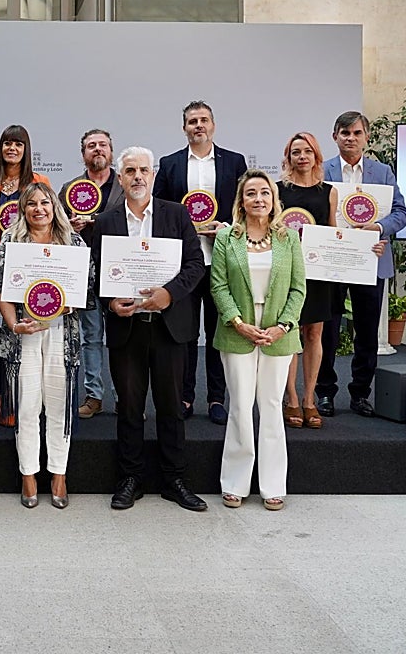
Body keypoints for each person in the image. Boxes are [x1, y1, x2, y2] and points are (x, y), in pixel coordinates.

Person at [91, 147, 207, 512]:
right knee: (128, 407)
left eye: (143, 170)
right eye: (130, 171)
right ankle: (131, 479)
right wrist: (109, 302)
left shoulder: (176, 214)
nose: (137, 176)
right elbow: (94, 273)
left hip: (170, 327)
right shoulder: (106, 221)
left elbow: (194, 265)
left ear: (153, 175)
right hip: (127, 329)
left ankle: (175, 479)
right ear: (120, 177)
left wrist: (167, 295)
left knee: (172, 407)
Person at [210, 170, 306, 511]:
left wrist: (283, 325)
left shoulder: (288, 239)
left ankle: (272, 485)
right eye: (251, 193)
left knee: (270, 407)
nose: (259, 199)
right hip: (238, 333)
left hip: (279, 335)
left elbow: (298, 288)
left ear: (274, 199)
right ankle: (235, 482)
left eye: (265, 193)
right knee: (239, 407)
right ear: (241, 201)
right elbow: (218, 286)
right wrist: (238, 323)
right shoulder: (227, 238)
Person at [0, 184, 93, 509]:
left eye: (45, 203)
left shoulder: (73, 241)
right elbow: (1, 290)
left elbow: (86, 288)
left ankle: (59, 473)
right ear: (23, 208)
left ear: (55, 207)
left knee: (59, 406)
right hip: (22, 333)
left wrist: (62, 306)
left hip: (61, 333)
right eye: (32, 203)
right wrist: (13, 324)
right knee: (26, 406)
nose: (39, 209)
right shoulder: (11, 242)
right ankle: (28, 474)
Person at [153, 100, 247, 425]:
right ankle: (186, 395)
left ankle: (218, 398)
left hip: (222, 261)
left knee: (219, 331)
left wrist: (228, 227)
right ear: (184, 128)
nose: (198, 126)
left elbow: (245, 209)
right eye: (192, 121)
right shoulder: (170, 164)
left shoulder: (235, 162)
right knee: (186, 333)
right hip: (184, 264)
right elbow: (159, 211)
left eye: (204, 120)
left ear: (213, 125)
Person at [317, 111, 406, 418]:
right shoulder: (322, 169)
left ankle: (360, 394)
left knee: (367, 332)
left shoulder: (383, 172)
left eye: (357, 133)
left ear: (366, 137)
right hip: (332, 260)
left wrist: (379, 228)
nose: (350, 138)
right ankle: (325, 393)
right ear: (335, 137)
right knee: (327, 330)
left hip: (371, 258)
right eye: (344, 133)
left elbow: (401, 213)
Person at [0, 124, 51, 426]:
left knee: (28, 333)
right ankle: (4, 397)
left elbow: (47, 218)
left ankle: (28, 398)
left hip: (32, 269)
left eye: (18, 144)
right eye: (7, 143)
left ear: (26, 149)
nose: (12, 149)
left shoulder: (39, 181)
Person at [59, 129, 124, 418]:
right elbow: (55, 230)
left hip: (120, 272)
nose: (97, 149)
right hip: (83, 272)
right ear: (83, 153)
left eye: (102, 145)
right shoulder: (68, 188)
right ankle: (94, 396)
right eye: (90, 146)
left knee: (122, 338)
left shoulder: (126, 184)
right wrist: (69, 229)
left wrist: (96, 221)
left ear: (111, 151)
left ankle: (125, 397)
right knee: (90, 337)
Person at [276, 132, 338, 430]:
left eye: (307, 152)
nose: (302, 157)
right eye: (296, 152)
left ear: (316, 156)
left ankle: (310, 399)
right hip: (286, 272)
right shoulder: (277, 191)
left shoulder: (329, 192)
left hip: (317, 273)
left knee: (314, 333)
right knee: (289, 333)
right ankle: (291, 400)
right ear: (288, 158)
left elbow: (333, 233)